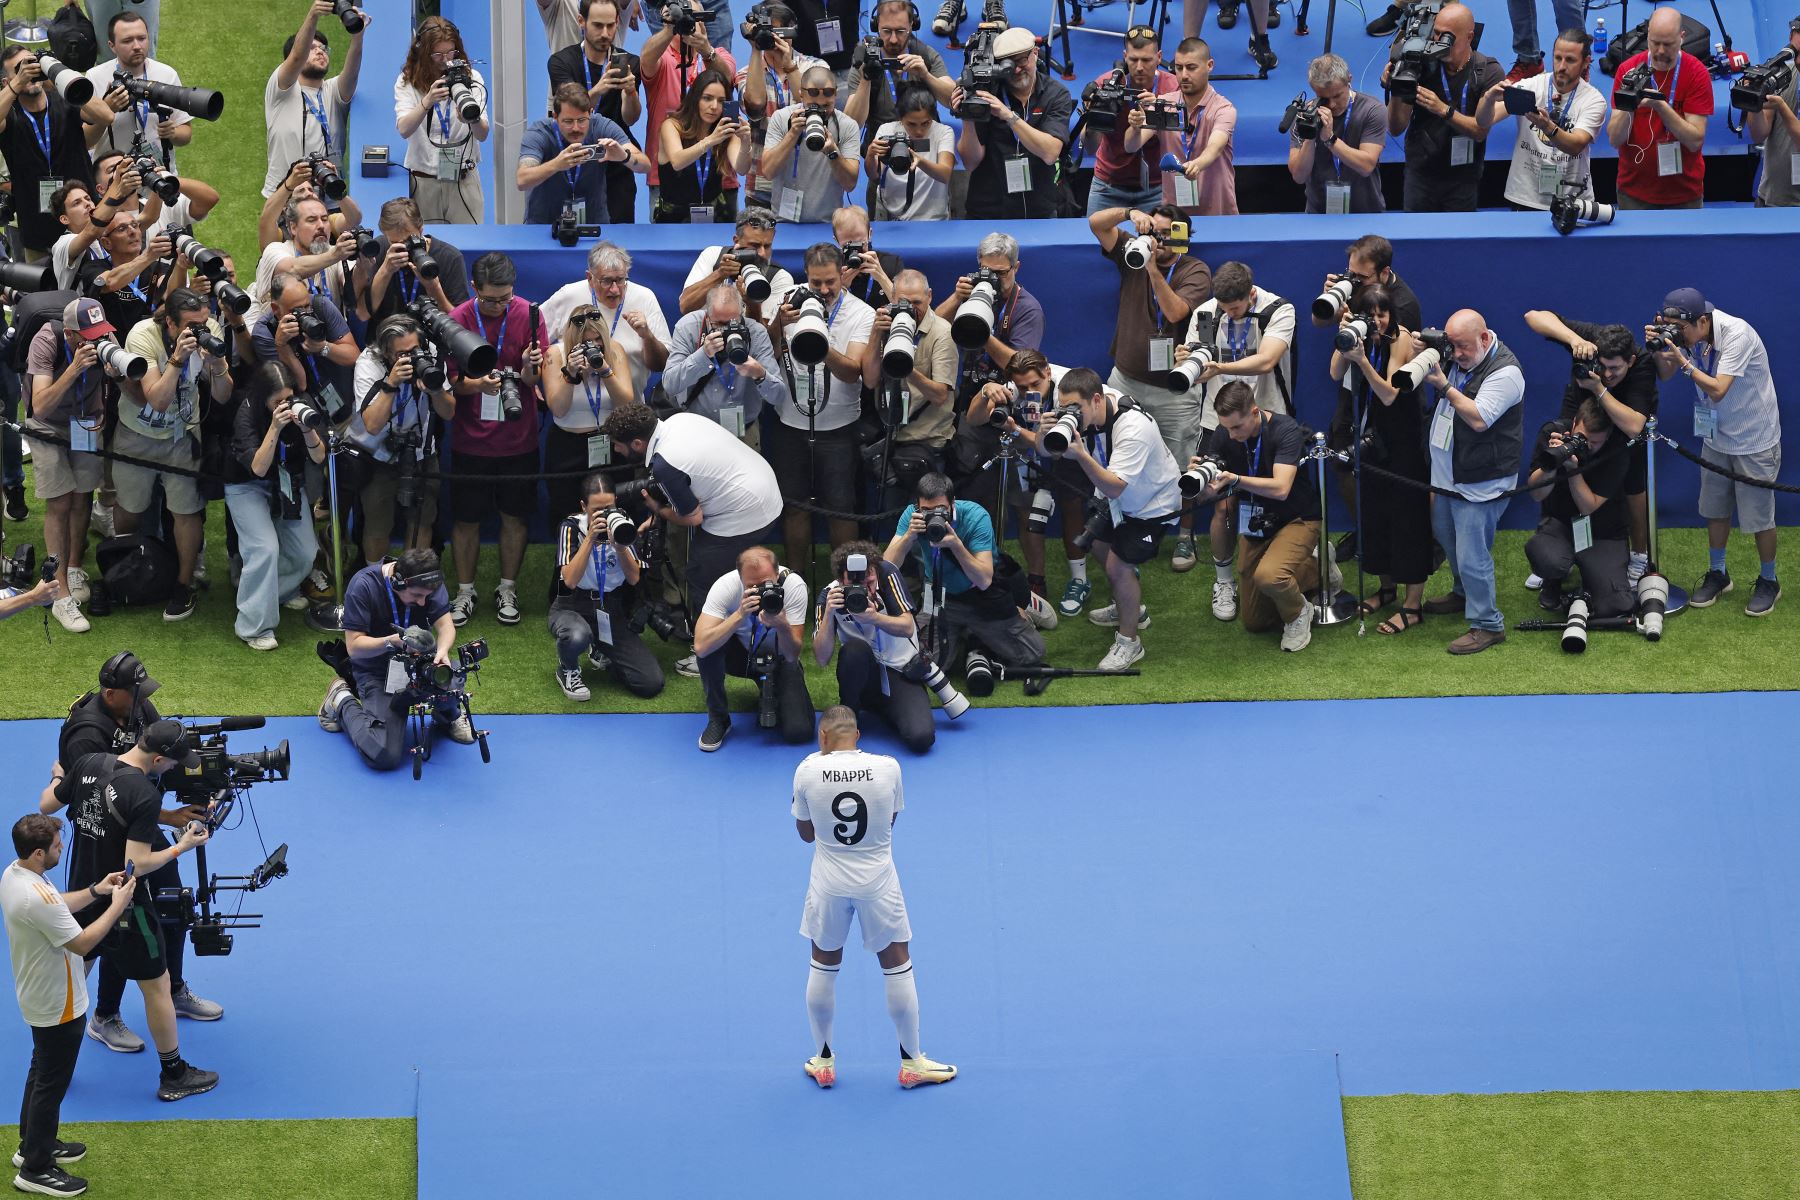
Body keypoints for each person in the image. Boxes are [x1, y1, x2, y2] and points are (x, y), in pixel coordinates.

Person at [41, 720, 219, 1103]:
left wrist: (59, 776)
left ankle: (49, 1066)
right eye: (172, 763)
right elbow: (135, 862)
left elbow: (47, 803)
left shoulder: (89, 762)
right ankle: (174, 1074)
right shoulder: (143, 793)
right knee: (157, 984)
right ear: (157, 758)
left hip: (83, 895)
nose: (173, 769)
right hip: (125, 907)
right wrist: (181, 846)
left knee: (70, 981)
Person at [54, 652, 222, 1049]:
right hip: (106, 842)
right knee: (113, 924)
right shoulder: (86, 735)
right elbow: (103, 798)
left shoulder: (138, 705)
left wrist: (198, 788)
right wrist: (172, 823)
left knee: (173, 901)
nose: (142, 700)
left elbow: (162, 757)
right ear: (111, 693)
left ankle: (173, 987)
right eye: (133, 693)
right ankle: (103, 1015)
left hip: (141, 824)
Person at [791, 706, 956, 1091]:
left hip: (828, 883)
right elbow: (890, 821)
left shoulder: (806, 770)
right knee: (897, 963)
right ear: (858, 736)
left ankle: (824, 1060)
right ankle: (912, 1063)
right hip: (879, 881)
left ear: (823, 736)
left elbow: (805, 834)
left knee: (822, 963)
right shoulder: (888, 768)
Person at [2, 814, 135, 1199]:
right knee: (51, 1083)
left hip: (38, 995)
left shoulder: (16, 874)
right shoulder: (35, 896)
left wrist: (97, 890)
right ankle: (36, 1168)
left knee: (41, 1070)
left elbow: (58, 904)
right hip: (58, 1002)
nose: (64, 848)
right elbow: (82, 942)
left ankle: (32, 1144)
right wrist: (118, 903)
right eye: (59, 845)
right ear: (40, 853)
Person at [1015, 368, 1182, 670]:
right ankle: (1130, 607)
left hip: (1151, 504)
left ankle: (1130, 643)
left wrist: (1080, 455)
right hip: (1115, 497)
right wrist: (1043, 431)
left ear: (1096, 399)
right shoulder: (1085, 409)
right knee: (1096, 544)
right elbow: (1045, 449)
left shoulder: (1133, 427)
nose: (1071, 415)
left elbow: (1114, 484)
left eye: (1076, 409)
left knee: (1119, 567)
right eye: (1066, 408)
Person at [1088, 204, 1213, 571]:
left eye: (1167, 234)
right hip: (1125, 379)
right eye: (1155, 232)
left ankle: (1185, 537)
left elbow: (1175, 313)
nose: (1158, 241)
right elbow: (1096, 224)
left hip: (1173, 390)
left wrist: (1153, 268)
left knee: (1182, 463)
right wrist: (1129, 214)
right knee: (1117, 456)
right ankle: (1121, 526)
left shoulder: (1195, 269)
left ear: (1183, 237)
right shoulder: (1133, 249)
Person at [1648, 287, 1781, 615]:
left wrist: (1683, 362)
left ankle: (1769, 580)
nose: (1680, 336)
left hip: (1754, 440)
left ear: (1703, 321)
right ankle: (1719, 573)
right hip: (1715, 438)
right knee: (1714, 509)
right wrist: (1663, 349)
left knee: (1759, 518)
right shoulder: (1691, 331)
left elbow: (1719, 389)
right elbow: (1665, 375)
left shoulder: (1738, 335)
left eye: (1682, 331)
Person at [600, 401, 785, 621]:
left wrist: (658, 509)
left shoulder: (665, 465)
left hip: (746, 512)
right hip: (764, 488)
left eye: (618, 444)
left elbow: (694, 517)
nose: (615, 450)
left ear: (638, 443)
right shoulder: (680, 420)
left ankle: (712, 644)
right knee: (725, 572)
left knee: (702, 576)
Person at [1175, 262, 1296, 596]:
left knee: (1278, 499)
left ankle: (1293, 562)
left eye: (1237, 308)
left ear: (1251, 294)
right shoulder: (1206, 313)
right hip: (1218, 424)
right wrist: (1186, 361)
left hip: (1266, 419)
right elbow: (1195, 371)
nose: (1230, 313)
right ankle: (1224, 581)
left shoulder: (1279, 309)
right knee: (1221, 505)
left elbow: (1267, 360)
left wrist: (1218, 367)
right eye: (1225, 308)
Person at [117, 290, 233, 622]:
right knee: (129, 507)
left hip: (182, 437)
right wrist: (178, 359)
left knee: (186, 511)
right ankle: (125, 565)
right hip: (136, 435)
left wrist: (219, 364)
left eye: (203, 323)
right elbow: (157, 400)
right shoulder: (143, 336)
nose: (201, 331)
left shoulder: (210, 329)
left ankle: (184, 584)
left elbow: (223, 396)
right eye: (191, 326)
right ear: (169, 322)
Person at [446, 253, 549, 627]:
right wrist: (478, 385)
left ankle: (508, 587)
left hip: (519, 440)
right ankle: (464, 590)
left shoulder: (530, 315)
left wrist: (525, 368)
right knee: (465, 519)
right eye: (490, 299)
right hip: (469, 441)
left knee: (515, 516)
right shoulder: (458, 319)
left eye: (505, 298)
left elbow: (535, 382)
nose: (499, 305)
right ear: (475, 290)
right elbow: (449, 383)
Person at [1183, 382, 1323, 651]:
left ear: (1255, 412)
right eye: (1226, 427)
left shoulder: (1285, 430)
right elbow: (1208, 495)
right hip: (1259, 521)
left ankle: (1299, 612)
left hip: (1297, 517)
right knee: (1254, 621)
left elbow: (1281, 489)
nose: (1232, 434)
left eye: (1237, 427)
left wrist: (1235, 479)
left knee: (1269, 577)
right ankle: (1312, 568)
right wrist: (1201, 483)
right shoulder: (1225, 434)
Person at [1522, 311, 1658, 583]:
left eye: (1615, 369)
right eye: (1602, 366)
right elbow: (1533, 316)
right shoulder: (1590, 338)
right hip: (1581, 414)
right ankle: (1553, 546)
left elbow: (1634, 426)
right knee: (1559, 464)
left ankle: (1639, 554)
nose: (1607, 374)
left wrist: (1598, 388)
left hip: (1623, 421)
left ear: (1630, 361)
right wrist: (1574, 341)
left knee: (1634, 485)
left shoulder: (1642, 363)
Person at [1419, 309, 1525, 654]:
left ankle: (1488, 625)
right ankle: (1463, 593)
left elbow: (1479, 419)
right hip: (1449, 478)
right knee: (1448, 540)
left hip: (1481, 483)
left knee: (1471, 556)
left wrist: (1445, 386)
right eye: (1452, 346)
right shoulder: (1460, 355)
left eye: (1463, 347)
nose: (1457, 354)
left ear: (1484, 338)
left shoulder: (1506, 373)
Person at [1328, 288, 1431, 634]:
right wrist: (1345, 340)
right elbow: (1333, 373)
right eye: (1368, 314)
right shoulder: (1357, 335)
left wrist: (1363, 361)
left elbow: (1388, 394)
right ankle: (1386, 589)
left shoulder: (1400, 339)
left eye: (1382, 313)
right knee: (1374, 517)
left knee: (1408, 522)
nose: (1376, 320)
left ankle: (1412, 606)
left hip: (1403, 442)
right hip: (1372, 441)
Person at [950, 349, 1080, 621]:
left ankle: (1072, 579)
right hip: (1022, 456)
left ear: (1047, 371)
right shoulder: (1010, 390)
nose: (1030, 391)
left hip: (1066, 452)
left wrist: (1014, 429)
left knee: (1065, 512)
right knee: (1023, 512)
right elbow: (974, 418)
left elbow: (1047, 447)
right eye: (1023, 387)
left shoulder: (1067, 390)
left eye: (1035, 384)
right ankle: (1031, 581)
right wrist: (986, 391)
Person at [767, 242, 874, 570]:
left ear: (843, 273)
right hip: (790, 422)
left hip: (840, 428)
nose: (824, 290)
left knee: (840, 505)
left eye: (830, 282)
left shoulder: (860, 312)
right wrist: (777, 326)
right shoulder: (788, 300)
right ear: (806, 277)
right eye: (816, 283)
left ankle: (844, 580)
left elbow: (852, 371)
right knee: (795, 506)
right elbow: (768, 357)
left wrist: (817, 337)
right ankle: (797, 579)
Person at [319, 550, 477, 769]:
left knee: (451, 675)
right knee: (384, 754)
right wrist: (392, 641)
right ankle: (341, 699)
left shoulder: (428, 580)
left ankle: (448, 716)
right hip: (378, 672)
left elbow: (445, 626)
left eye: (426, 596)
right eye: (416, 596)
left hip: (421, 664)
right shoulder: (362, 586)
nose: (423, 603)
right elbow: (354, 647)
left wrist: (442, 651)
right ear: (398, 582)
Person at [883, 472, 1045, 680]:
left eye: (940, 510)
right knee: (926, 664)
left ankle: (1026, 608)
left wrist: (956, 544)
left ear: (953, 503)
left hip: (981, 596)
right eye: (926, 511)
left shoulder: (976, 516)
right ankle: (968, 636)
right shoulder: (912, 516)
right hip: (941, 597)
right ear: (917, 506)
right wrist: (908, 537)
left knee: (1032, 654)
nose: (933, 516)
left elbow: (984, 580)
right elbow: (887, 567)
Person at [20, 298, 117, 634]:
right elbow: (40, 405)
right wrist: (75, 368)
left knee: (82, 494)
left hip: (85, 423)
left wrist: (115, 374)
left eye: (100, 332)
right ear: (72, 334)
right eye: (88, 335)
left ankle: (74, 566)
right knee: (60, 501)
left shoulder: (105, 338)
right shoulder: (46, 341)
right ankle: (58, 591)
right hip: (47, 427)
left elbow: (121, 380)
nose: (97, 339)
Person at [814, 541, 957, 753]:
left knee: (921, 738)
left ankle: (890, 709)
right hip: (863, 674)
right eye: (855, 581)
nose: (864, 586)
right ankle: (851, 711)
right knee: (853, 649)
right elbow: (821, 658)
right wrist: (828, 614)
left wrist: (875, 617)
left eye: (869, 577)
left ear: (875, 568)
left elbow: (908, 627)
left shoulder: (888, 574)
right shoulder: (830, 595)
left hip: (900, 672)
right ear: (840, 579)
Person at [225, 360, 326, 650]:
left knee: (306, 550)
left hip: (287, 480)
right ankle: (253, 626)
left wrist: (307, 430)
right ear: (263, 399)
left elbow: (319, 458)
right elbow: (257, 467)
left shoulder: (303, 405)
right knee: (264, 548)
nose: (286, 405)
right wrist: (275, 426)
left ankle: (277, 592)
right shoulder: (246, 413)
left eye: (289, 398)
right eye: (278, 401)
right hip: (246, 484)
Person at [345, 315, 457, 568]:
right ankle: (376, 583)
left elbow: (449, 412)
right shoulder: (368, 363)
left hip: (422, 452)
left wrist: (436, 389)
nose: (412, 358)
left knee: (422, 520)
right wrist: (391, 383)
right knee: (377, 525)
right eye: (401, 354)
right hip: (378, 456)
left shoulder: (431, 355)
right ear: (385, 352)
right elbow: (372, 425)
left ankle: (410, 577)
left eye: (415, 349)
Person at [550, 473, 665, 701]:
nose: (604, 514)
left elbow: (633, 579)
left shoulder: (623, 524)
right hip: (571, 604)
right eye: (597, 509)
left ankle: (602, 647)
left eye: (609, 506)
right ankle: (568, 668)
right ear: (584, 506)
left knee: (650, 683)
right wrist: (591, 538)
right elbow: (569, 581)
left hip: (610, 609)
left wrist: (621, 547)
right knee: (576, 635)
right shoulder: (571, 527)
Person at [1384, 2, 1503, 212]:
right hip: (1420, 174)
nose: (1439, 42)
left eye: (1447, 36)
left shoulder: (1487, 71)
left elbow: (1479, 131)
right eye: (1435, 34)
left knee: (1458, 242)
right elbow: (1396, 128)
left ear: (1469, 36)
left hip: (1463, 177)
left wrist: (1443, 110)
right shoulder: (1420, 65)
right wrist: (1398, 86)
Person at [692, 545, 812, 750]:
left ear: (777, 573)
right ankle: (718, 718)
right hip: (739, 655)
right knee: (711, 645)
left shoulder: (794, 587)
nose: (760, 591)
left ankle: (772, 687)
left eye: (767, 584)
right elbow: (701, 647)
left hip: (779, 657)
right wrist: (739, 615)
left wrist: (782, 625)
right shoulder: (726, 586)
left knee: (798, 731)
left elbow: (792, 655)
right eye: (752, 586)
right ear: (740, 578)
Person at [1523, 400, 1634, 616]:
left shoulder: (1618, 449)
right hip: (1560, 524)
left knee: (1617, 603)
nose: (1587, 446)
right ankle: (1553, 580)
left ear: (1608, 436)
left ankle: (1592, 574)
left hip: (1604, 531)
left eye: (1595, 442)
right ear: (1574, 424)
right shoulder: (1553, 432)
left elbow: (1588, 506)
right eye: (1582, 438)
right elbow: (1536, 494)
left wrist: (1573, 470)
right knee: (1548, 559)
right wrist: (1552, 464)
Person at [1475, 30, 1606, 210]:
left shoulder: (1593, 100)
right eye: (1557, 58)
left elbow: (1575, 144)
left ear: (1586, 62)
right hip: (1526, 196)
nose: (1561, 66)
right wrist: (1488, 99)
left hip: (1573, 200)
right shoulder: (1531, 87)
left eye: (1570, 60)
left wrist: (1547, 126)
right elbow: (1484, 121)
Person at [955, 27, 1074, 220]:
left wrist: (1009, 116)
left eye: (1021, 61)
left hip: (1039, 207)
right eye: (1008, 65)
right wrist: (967, 116)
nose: (1017, 70)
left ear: (1035, 53)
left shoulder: (1056, 94)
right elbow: (970, 162)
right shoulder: (986, 92)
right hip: (990, 208)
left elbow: (1050, 153)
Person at [0, 46, 110, 255]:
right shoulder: (10, 114)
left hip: (86, 224)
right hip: (37, 234)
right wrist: (18, 83)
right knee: (46, 288)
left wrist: (60, 77)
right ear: (7, 82)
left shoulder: (65, 99)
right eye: (20, 68)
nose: (30, 71)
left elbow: (106, 116)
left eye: (33, 63)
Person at [546, 0, 645, 224]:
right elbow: (568, 110)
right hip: (573, 160)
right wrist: (599, 88)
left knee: (620, 239)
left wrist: (630, 93)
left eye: (611, 26)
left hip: (616, 162)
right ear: (581, 21)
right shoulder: (561, 62)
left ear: (618, 22)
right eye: (598, 25)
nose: (605, 33)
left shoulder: (630, 62)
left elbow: (630, 118)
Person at [540, 300, 637, 522]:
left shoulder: (615, 350)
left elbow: (625, 404)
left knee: (617, 507)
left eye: (597, 341)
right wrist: (570, 374)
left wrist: (605, 370)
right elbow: (558, 409)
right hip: (568, 445)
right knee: (568, 510)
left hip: (610, 442)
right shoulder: (555, 353)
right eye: (586, 343)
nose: (593, 346)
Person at [1606, 7, 1711, 209]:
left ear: (1681, 37)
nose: (1660, 51)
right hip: (1633, 193)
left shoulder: (1697, 73)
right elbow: (1614, 139)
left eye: (1668, 44)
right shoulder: (1627, 70)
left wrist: (1660, 106)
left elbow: (1695, 141)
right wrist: (1629, 104)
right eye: (1655, 43)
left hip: (1684, 195)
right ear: (1648, 37)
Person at [861, 269, 957, 486]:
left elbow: (940, 395)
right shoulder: (884, 325)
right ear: (892, 299)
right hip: (892, 441)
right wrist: (877, 335)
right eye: (904, 302)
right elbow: (869, 380)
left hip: (929, 443)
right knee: (891, 516)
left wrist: (905, 367)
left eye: (917, 302)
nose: (911, 309)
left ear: (930, 296)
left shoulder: (942, 333)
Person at [263, 0, 367, 198]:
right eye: (312, 48)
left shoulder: (333, 91)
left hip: (331, 195)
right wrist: (313, 16)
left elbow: (352, 73)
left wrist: (358, 36)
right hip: (286, 196)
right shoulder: (281, 89)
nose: (320, 51)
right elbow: (295, 58)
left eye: (323, 48)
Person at [541, 242, 671, 401]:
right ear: (590, 278)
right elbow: (532, 338)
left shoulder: (644, 297)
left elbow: (661, 365)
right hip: (576, 415)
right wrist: (532, 378)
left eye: (621, 280)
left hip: (628, 410)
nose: (615, 289)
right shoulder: (568, 295)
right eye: (607, 281)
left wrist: (647, 337)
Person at [640, 0, 740, 201]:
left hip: (719, 178)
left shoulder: (718, 55)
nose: (689, 24)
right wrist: (670, 27)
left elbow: (726, 80)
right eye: (683, 19)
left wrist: (706, 50)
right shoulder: (663, 57)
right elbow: (647, 58)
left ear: (704, 24)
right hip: (669, 178)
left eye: (695, 19)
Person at [662, 282, 787, 443]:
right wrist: (702, 356)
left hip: (742, 432)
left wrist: (760, 374)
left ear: (742, 313)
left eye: (733, 322)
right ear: (706, 316)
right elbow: (670, 385)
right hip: (696, 430)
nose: (727, 329)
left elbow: (778, 396)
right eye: (720, 324)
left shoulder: (756, 333)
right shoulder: (688, 327)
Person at [394, 17, 491, 224]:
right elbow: (403, 129)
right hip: (424, 182)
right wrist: (426, 102)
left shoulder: (472, 78)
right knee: (428, 246)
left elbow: (482, 134)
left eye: (451, 52)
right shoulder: (408, 82)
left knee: (471, 246)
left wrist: (470, 119)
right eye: (438, 54)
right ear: (422, 52)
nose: (446, 59)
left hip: (464, 180)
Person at [518, 82, 646, 226]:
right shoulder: (539, 133)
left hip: (593, 226)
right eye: (568, 121)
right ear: (555, 116)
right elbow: (522, 180)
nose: (576, 128)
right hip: (544, 226)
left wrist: (625, 156)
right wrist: (556, 165)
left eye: (581, 120)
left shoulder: (602, 126)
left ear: (590, 113)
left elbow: (645, 165)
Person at [1083, 24, 1179, 216]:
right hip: (1108, 186)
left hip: (1158, 187)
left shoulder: (1173, 89)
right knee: (1094, 243)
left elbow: (1184, 143)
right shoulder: (1106, 85)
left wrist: (1158, 110)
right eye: (1134, 60)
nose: (1140, 67)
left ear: (1159, 57)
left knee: (1160, 245)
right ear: (1125, 56)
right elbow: (1090, 147)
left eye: (1147, 60)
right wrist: (1093, 119)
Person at [931, 231, 1043, 393]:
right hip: (960, 384)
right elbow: (932, 329)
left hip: (1001, 391)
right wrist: (956, 298)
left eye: (1000, 273)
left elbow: (1022, 369)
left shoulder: (1028, 309)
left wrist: (979, 332)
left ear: (1016, 267)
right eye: (987, 271)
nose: (994, 279)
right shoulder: (971, 291)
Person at [1140, 37, 1237, 217]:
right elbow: (1132, 145)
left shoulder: (1224, 109)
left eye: (1191, 67)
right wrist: (1135, 125)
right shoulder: (1163, 104)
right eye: (1179, 67)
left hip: (1218, 212)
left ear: (1209, 65)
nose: (1184, 75)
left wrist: (1197, 164)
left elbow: (1215, 148)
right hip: (1174, 216)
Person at [251, 273, 359, 428]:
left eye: (307, 306)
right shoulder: (265, 333)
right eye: (297, 310)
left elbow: (354, 356)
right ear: (276, 309)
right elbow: (300, 385)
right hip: (307, 420)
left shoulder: (321, 306)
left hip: (346, 402)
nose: (306, 313)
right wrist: (282, 345)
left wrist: (324, 347)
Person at [735, 3, 816, 207]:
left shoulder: (814, 67)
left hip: (806, 182)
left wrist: (789, 65)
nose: (774, 39)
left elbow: (813, 105)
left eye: (777, 31)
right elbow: (754, 105)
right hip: (761, 184)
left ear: (791, 30)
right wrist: (755, 49)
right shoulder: (747, 73)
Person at [85, 11, 193, 160]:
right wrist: (107, 110)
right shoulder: (94, 77)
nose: (137, 46)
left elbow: (186, 133)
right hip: (113, 177)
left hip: (159, 175)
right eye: (127, 41)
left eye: (142, 38)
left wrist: (173, 133)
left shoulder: (167, 74)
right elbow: (85, 141)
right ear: (112, 46)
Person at [761, 64, 861, 223]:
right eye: (814, 106)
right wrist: (792, 134)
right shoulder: (781, 118)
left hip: (828, 223)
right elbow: (768, 171)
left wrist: (833, 153)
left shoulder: (847, 126)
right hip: (784, 222)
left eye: (826, 106)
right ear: (801, 95)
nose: (820, 112)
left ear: (835, 95)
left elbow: (850, 184)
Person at [1288, 54, 1387, 214]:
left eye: (1337, 95)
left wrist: (1330, 139)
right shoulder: (1304, 117)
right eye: (1323, 98)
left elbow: (1366, 166)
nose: (1332, 104)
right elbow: (1299, 176)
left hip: (1366, 214)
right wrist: (1310, 136)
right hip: (1319, 216)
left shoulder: (1372, 110)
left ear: (1350, 80)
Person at [351, 198, 470, 331]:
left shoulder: (450, 257)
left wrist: (433, 287)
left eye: (409, 240)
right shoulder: (378, 249)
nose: (404, 247)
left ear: (421, 230)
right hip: (386, 341)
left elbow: (459, 326)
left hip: (433, 342)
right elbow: (362, 314)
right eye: (395, 242)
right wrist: (386, 270)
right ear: (385, 235)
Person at [651, 69, 749, 224]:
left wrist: (745, 142)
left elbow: (742, 168)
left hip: (715, 214)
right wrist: (710, 140)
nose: (714, 106)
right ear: (695, 98)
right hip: (673, 217)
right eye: (707, 98)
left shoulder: (727, 130)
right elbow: (677, 162)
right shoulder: (672, 126)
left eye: (721, 101)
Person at [843, 0, 956, 130]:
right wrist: (866, 78)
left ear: (912, 25)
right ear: (876, 26)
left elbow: (953, 101)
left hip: (922, 138)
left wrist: (926, 76)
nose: (893, 39)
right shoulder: (864, 60)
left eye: (901, 31)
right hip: (881, 144)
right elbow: (851, 124)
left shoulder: (926, 55)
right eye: (886, 31)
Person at [678, 207, 794, 325]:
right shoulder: (713, 255)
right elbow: (685, 306)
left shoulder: (779, 277)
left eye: (767, 246)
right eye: (755, 245)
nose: (762, 253)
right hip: (706, 338)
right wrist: (719, 274)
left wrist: (752, 304)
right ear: (736, 241)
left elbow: (765, 338)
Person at [865, 84, 954, 221]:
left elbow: (945, 174)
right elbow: (874, 174)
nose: (919, 131)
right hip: (891, 218)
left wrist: (920, 161)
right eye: (911, 124)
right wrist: (870, 155)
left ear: (933, 117)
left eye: (925, 123)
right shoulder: (886, 130)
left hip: (933, 220)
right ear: (901, 118)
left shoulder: (943, 132)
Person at [1747, 18, 1800, 207]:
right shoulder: (1782, 75)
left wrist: (1782, 108)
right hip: (1772, 200)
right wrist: (1755, 101)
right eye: (1796, 52)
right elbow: (1759, 134)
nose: (1798, 61)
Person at [831, 205, 903, 307]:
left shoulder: (892, 263)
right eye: (848, 245)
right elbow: (825, 315)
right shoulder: (832, 270)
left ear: (870, 234)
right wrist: (840, 289)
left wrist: (882, 278)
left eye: (860, 243)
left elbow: (905, 308)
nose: (855, 251)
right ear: (837, 241)